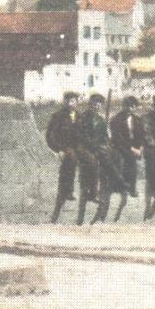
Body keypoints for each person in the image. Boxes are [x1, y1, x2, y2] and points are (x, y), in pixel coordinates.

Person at [73, 93, 123, 225]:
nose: (97, 106)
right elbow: (80, 135)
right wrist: (96, 145)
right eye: (95, 103)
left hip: (99, 148)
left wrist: (107, 142)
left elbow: (105, 137)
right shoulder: (82, 118)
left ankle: (116, 180)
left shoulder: (101, 120)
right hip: (85, 148)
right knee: (95, 161)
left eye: (99, 104)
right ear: (90, 104)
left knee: (116, 156)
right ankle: (100, 188)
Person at [108, 95, 145, 221]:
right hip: (119, 146)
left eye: (132, 106)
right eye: (127, 105)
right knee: (122, 159)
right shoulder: (116, 120)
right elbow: (118, 139)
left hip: (133, 147)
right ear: (123, 106)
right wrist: (132, 149)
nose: (130, 108)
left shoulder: (137, 120)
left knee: (132, 160)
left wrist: (140, 147)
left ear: (135, 107)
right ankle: (121, 187)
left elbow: (141, 135)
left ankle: (131, 187)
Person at [45, 92, 80, 224]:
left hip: (78, 147)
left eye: (74, 101)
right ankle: (67, 192)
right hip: (65, 147)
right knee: (70, 160)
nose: (72, 104)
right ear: (65, 102)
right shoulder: (58, 116)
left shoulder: (80, 116)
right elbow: (50, 136)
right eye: (69, 101)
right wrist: (58, 149)